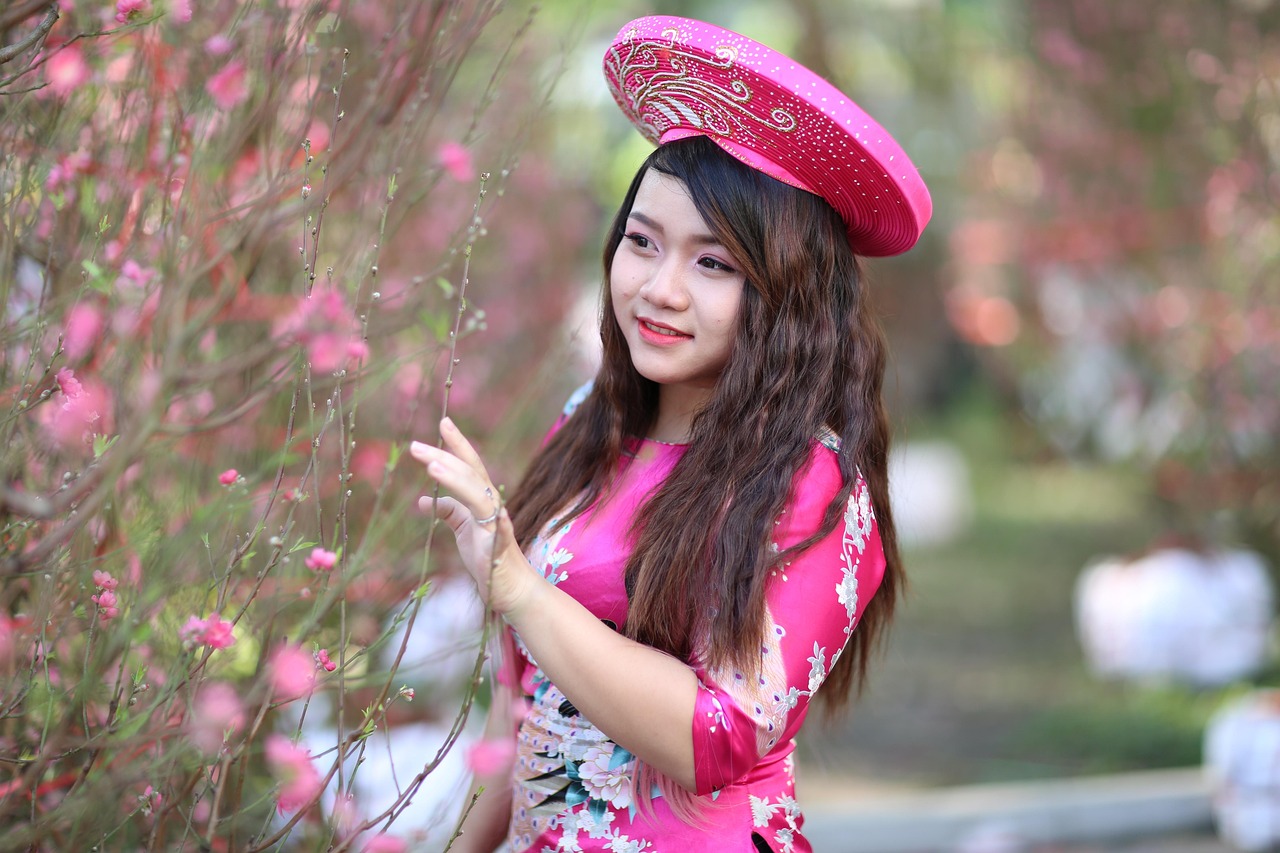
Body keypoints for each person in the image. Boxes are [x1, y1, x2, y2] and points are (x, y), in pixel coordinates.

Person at [409, 15, 931, 853]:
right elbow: (522, 710)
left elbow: (719, 736)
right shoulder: (591, 423)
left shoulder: (811, 479)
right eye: (642, 243)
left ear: (788, 295)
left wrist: (521, 588)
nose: (660, 288)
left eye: (712, 263)